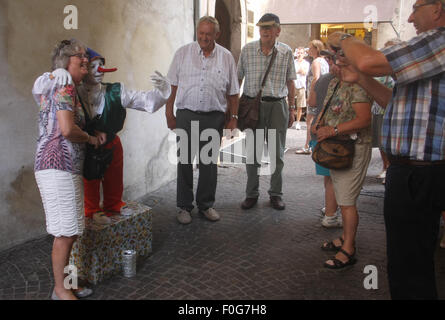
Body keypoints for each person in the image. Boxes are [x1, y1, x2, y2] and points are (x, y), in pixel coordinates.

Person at [326, 0, 445, 299]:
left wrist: (343, 38)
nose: (411, 15)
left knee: (410, 265)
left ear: (438, 9)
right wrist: (362, 79)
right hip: (408, 171)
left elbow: (368, 60)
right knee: (405, 262)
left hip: (421, 172)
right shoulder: (429, 52)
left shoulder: (438, 41)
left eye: (417, 7)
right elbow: (392, 103)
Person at [42, 49, 171, 225]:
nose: (98, 70)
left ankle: (114, 205)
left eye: (101, 65)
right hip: (87, 145)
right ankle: (92, 209)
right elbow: (41, 91)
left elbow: (146, 102)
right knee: (90, 179)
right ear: (84, 69)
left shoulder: (116, 91)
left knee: (114, 177)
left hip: (111, 143)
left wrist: (163, 90)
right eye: (92, 66)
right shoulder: (72, 90)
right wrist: (54, 75)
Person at [32, 39, 100, 300]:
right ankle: (60, 290)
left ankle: (68, 283)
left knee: (71, 230)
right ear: (65, 62)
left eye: (86, 55)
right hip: (56, 166)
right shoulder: (63, 86)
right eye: (78, 56)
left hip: (63, 167)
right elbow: (68, 129)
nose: (85, 59)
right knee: (65, 233)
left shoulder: (65, 85)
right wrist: (91, 139)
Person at [165, 16, 239, 224]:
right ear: (197, 32)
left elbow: (233, 92)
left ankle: (206, 205)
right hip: (187, 114)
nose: (204, 38)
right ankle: (184, 207)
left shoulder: (226, 57)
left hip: (214, 117)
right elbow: (172, 86)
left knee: (208, 163)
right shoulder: (183, 53)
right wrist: (169, 113)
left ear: (217, 34)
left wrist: (233, 118)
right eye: (201, 33)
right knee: (185, 161)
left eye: (208, 34)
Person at [311, 48, 373, 269]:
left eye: (338, 61)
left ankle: (348, 249)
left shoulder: (358, 85)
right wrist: (318, 124)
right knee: (341, 195)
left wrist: (333, 130)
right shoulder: (334, 83)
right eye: (333, 61)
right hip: (337, 148)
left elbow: (365, 119)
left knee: (347, 202)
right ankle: (345, 239)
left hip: (353, 147)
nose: (333, 66)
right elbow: (325, 109)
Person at [238, 13, 296, 211]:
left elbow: (291, 81)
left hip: (278, 106)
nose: (264, 31)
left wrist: (293, 108)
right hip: (253, 107)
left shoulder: (286, 52)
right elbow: (237, 80)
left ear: (278, 30)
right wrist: (234, 111)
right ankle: (251, 194)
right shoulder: (247, 50)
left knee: (277, 154)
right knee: (252, 153)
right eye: (262, 28)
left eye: (269, 28)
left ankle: (276, 194)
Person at [307, 51, 341, 228]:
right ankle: (331, 214)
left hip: (318, 134)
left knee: (328, 178)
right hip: (333, 136)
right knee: (335, 178)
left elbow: (312, 102)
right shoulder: (345, 81)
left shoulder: (321, 80)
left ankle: (329, 207)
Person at [370, 39, 399, 185]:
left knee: (390, 142)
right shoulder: (380, 71)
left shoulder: (400, 70)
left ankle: (390, 168)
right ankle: (385, 166)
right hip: (378, 109)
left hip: (393, 112)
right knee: (381, 141)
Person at [296, 40, 329, 154]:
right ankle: (314, 145)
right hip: (323, 94)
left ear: (316, 49)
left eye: (310, 48)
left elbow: (316, 78)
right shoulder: (324, 61)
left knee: (310, 121)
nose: (308, 50)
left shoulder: (316, 62)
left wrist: (311, 96)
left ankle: (308, 146)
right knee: (318, 120)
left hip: (316, 95)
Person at [293, 47, 310, 130]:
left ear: (304, 54)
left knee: (300, 105)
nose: (299, 54)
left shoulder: (306, 63)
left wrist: (298, 70)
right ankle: (290, 120)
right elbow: (292, 72)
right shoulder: (293, 62)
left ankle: (298, 122)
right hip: (293, 85)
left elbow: (304, 72)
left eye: (301, 53)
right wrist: (298, 70)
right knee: (290, 104)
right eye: (298, 53)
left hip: (301, 85)